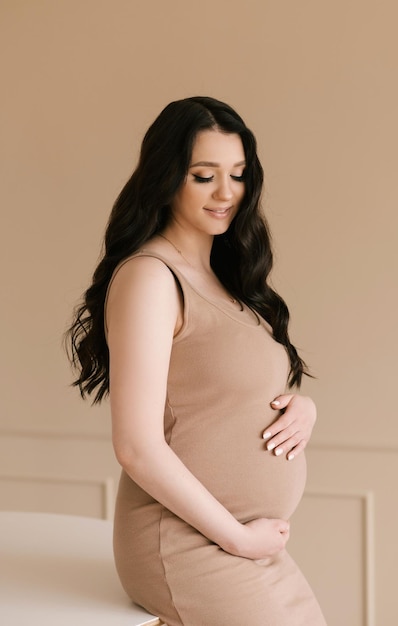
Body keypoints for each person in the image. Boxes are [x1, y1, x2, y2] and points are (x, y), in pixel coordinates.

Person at [67, 96, 326, 625]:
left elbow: (227, 393)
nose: (227, 193)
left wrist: (303, 409)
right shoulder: (150, 277)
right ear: (167, 179)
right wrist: (237, 539)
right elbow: (136, 446)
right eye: (204, 176)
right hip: (189, 540)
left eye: (238, 174)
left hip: (243, 539)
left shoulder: (227, 281)